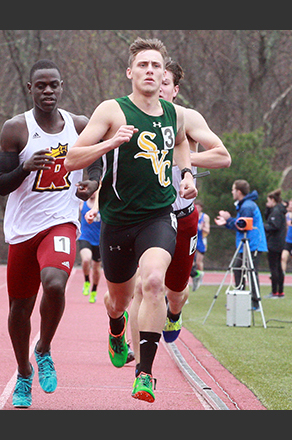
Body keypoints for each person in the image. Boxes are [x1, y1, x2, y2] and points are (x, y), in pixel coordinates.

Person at [64, 38, 196, 403]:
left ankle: (145, 374)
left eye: (156, 66)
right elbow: (72, 159)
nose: (150, 71)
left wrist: (185, 173)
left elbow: (182, 141)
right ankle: (116, 327)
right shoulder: (112, 111)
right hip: (118, 219)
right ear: (130, 72)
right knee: (118, 301)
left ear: (164, 73)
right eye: (143, 65)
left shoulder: (175, 113)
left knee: (154, 281)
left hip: (158, 215)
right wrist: (110, 143)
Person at [0, 59, 101, 408]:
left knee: (55, 283)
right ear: (30, 89)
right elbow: (0, 185)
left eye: (53, 85)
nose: (48, 91)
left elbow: (97, 157)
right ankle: (23, 371)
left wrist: (93, 182)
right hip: (24, 229)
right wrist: (24, 168)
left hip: (61, 222)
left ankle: (43, 349)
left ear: (61, 86)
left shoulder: (79, 125)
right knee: (19, 309)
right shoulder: (16, 129)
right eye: (40, 85)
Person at [127, 58, 230, 362]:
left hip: (182, 216)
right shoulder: (132, 115)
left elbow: (222, 156)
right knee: (142, 287)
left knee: (176, 291)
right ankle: (138, 356)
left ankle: (175, 311)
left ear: (174, 89)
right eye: (155, 80)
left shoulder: (187, 117)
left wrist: (182, 162)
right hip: (146, 216)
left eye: (165, 83)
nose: (158, 86)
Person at [215, 179, 268, 310]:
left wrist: (228, 219)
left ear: (238, 191)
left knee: (251, 272)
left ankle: (255, 303)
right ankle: (240, 298)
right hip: (246, 244)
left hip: (252, 244)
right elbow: (240, 224)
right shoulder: (245, 205)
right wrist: (228, 222)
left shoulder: (247, 206)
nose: (232, 192)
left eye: (233, 189)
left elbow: (243, 225)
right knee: (238, 268)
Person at [77, 191, 102, 303]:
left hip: (99, 241)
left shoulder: (102, 204)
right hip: (85, 237)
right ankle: (87, 280)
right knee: (86, 259)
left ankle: (94, 290)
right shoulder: (83, 203)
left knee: (96, 269)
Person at [264, 189, 287, 298]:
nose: (267, 203)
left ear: (273, 200)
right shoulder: (279, 210)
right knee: (278, 267)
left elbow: (274, 226)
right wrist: (267, 209)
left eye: (268, 201)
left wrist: (264, 228)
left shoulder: (277, 211)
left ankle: (275, 291)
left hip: (274, 242)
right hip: (280, 242)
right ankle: (280, 291)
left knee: (274, 267)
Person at [191, 199, 210, 291]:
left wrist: (202, 228)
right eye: (196, 206)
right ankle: (195, 275)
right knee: (192, 261)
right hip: (193, 239)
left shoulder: (204, 217)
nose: (197, 208)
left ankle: (200, 276)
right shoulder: (192, 214)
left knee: (199, 261)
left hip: (201, 240)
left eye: (199, 207)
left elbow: (208, 230)